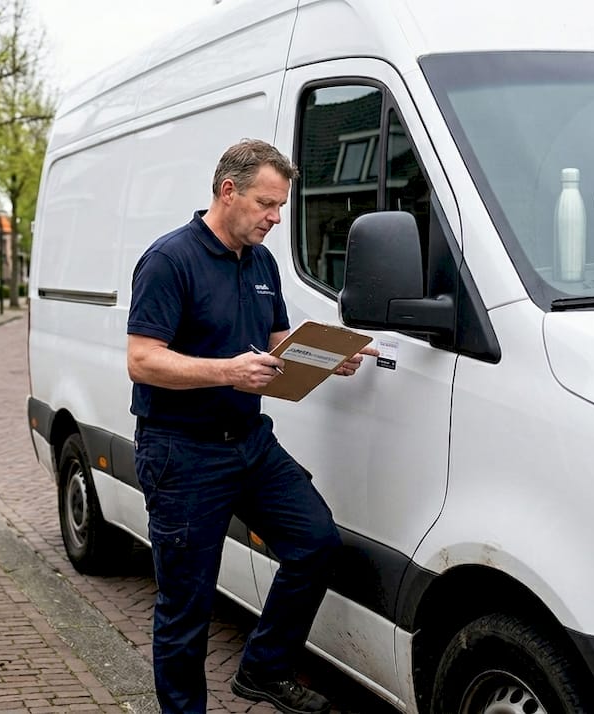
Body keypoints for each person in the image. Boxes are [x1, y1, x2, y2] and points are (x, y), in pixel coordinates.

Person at [127, 138, 378, 714]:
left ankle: (264, 670)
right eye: (267, 204)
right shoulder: (170, 260)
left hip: (249, 443)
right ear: (227, 191)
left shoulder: (261, 261)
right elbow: (142, 358)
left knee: (315, 544)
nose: (276, 218)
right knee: (186, 607)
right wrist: (226, 372)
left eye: (280, 206)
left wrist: (321, 356)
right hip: (182, 452)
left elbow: (270, 341)